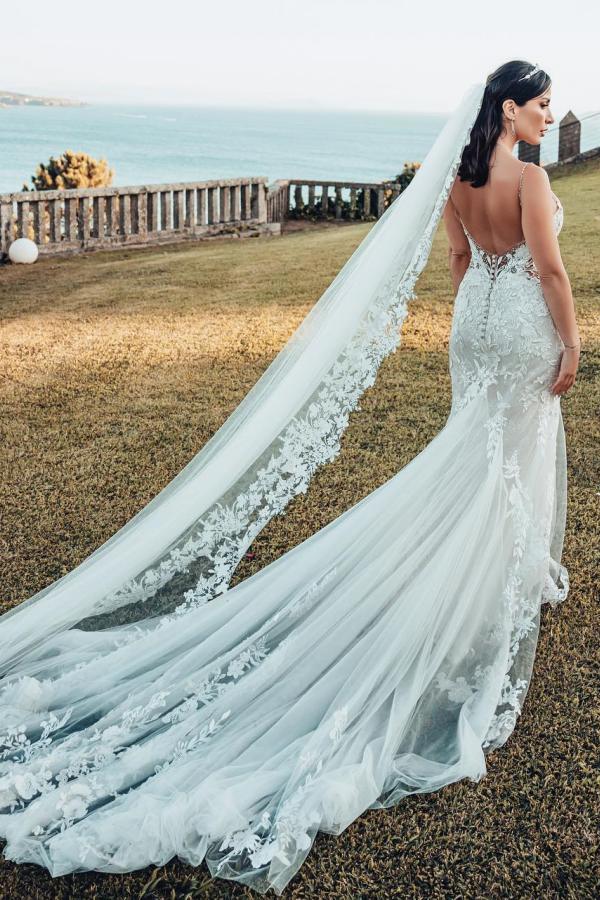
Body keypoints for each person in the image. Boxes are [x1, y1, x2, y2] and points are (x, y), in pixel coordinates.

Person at [0, 60, 579, 895]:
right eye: (544, 106)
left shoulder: (457, 176)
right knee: (506, 454)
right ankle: (492, 575)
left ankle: (501, 566)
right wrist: (568, 340)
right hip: (523, 324)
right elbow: (553, 271)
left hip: (476, 326)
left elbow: (459, 260)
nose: (549, 116)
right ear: (514, 109)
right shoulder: (526, 176)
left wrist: (479, 325)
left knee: (472, 452)